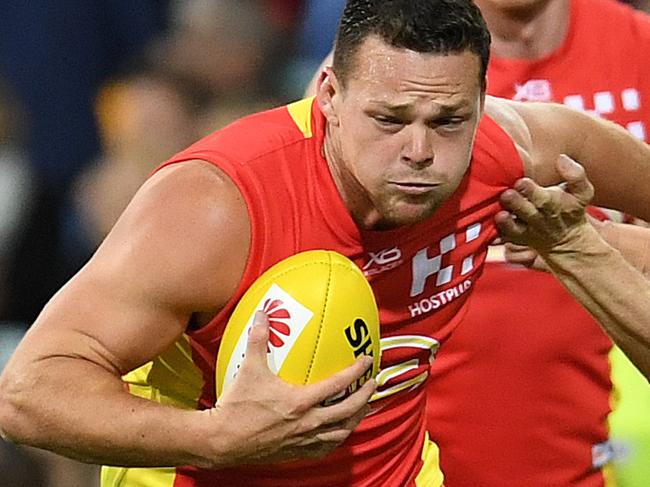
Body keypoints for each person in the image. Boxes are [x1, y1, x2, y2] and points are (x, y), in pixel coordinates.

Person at [1, 1, 650, 486]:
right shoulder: (217, 208)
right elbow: (26, 393)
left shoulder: (507, 149)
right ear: (329, 96)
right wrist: (217, 434)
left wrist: (591, 243)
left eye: (448, 121)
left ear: (483, 104)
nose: (419, 151)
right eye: (388, 119)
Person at [424, 1, 650, 485]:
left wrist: (599, 241)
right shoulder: (394, 65)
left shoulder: (639, 49)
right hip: (430, 456)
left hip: (613, 439)